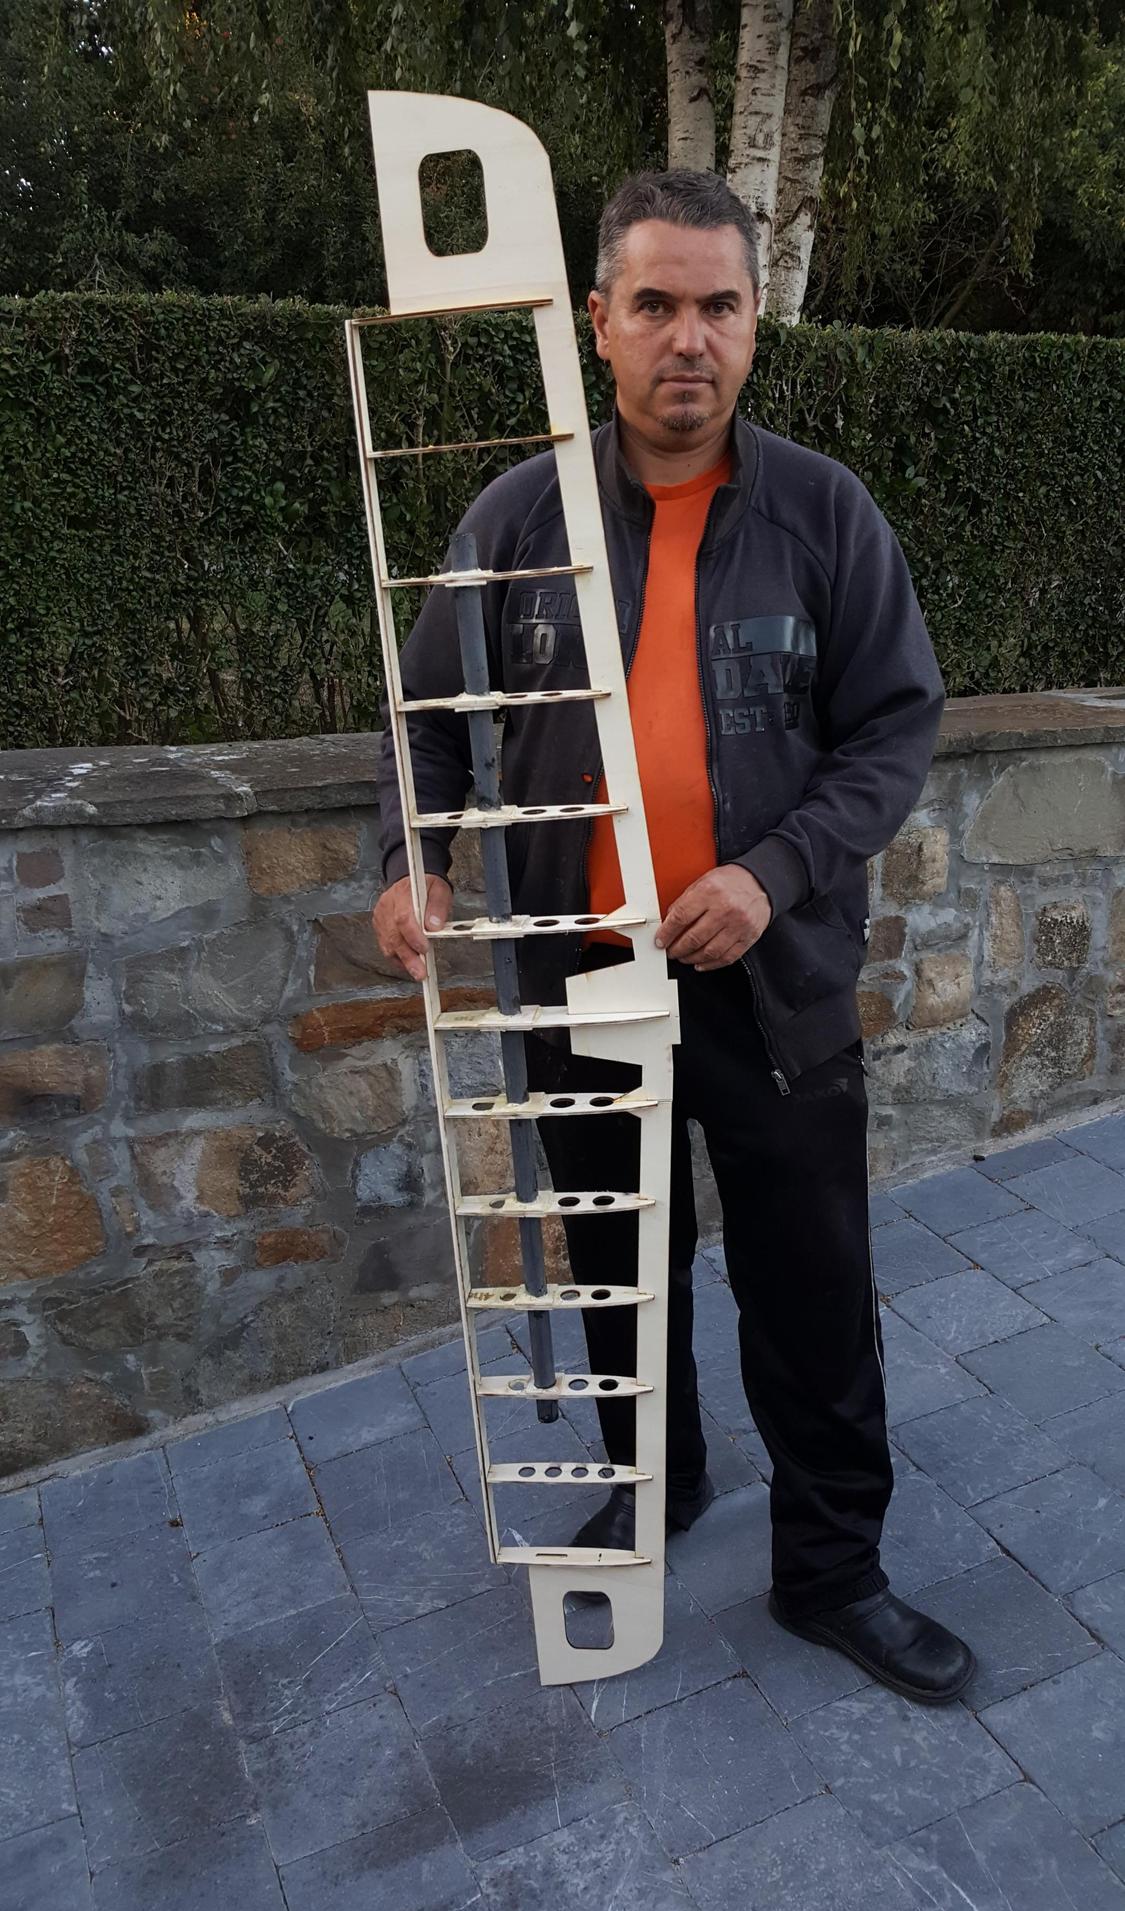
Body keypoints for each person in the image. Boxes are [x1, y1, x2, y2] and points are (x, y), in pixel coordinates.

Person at [374, 169, 975, 1704]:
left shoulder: (823, 514)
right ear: (599, 322)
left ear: (754, 323)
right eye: (653, 304)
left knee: (810, 1288)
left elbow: (892, 731)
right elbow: (427, 719)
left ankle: (832, 1573)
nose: (685, 337)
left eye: (716, 305)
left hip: (769, 985)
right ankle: (653, 1486)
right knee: (614, 1268)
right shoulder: (516, 518)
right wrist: (413, 860)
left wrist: (772, 874)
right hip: (575, 975)